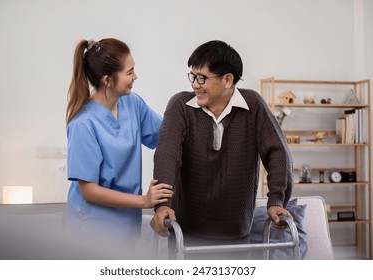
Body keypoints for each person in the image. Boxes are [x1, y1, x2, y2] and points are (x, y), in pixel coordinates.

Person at [150, 40, 293, 259]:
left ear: (227, 80)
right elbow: (167, 155)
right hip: (186, 232)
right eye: (192, 76)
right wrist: (162, 205)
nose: (195, 85)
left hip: (236, 233)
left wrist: (276, 200)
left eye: (202, 78)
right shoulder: (181, 105)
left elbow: (278, 151)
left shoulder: (252, 105)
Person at [65, 38, 173, 257]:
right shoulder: (83, 125)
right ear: (108, 80)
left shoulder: (133, 104)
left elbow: (167, 138)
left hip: (126, 230)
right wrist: (144, 201)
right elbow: (89, 190)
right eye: (129, 72)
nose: (135, 77)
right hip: (91, 234)